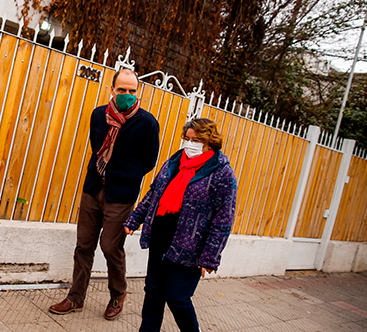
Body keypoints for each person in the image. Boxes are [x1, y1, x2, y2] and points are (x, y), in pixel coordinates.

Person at [49, 68, 160, 320]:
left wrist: (126, 175)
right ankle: (75, 298)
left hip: (121, 194)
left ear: (138, 91)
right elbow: (95, 145)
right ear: (112, 89)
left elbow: (150, 160)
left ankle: (117, 293)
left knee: (111, 246)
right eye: (122, 90)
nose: (127, 95)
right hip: (93, 188)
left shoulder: (147, 123)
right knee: (83, 246)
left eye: (132, 91)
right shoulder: (99, 115)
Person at [124, 118, 237, 332]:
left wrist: (210, 256)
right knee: (153, 291)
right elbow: (153, 193)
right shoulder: (175, 162)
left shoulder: (222, 173)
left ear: (210, 142)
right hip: (160, 237)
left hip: (190, 247)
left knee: (177, 298)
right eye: (187, 138)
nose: (190, 144)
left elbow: (224, 218)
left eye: (197, 140)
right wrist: (135, 218)